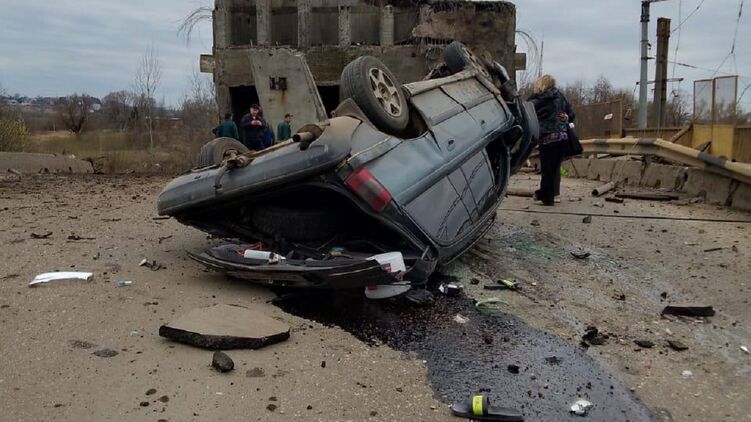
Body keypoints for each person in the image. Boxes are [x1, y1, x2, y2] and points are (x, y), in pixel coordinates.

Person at [528, 74, 575, 206]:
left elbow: (527, 111)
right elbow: (571, 114)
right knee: (555, 168)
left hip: (547, 137)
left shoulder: (539, 99)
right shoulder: (560, 97)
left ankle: (547, 197)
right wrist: (567, 117)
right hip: (562, 136)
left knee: (547, 169)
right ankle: (554, 193)